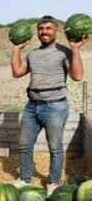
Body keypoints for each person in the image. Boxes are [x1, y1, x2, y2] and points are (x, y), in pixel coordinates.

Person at [10, 15, 89, 195]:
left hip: (55, 107)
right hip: (32, 106)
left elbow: (77, 76)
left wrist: (75, 49)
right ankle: (25, 178)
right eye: (41, 29)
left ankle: (53, 182)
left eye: (48, 28)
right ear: (37, 32)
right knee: (24, 144)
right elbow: (17, 72)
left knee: (54, 147)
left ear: (56, 31)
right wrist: (16, 49)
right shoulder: (33, 54)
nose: (44, 32)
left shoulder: (64, 52)